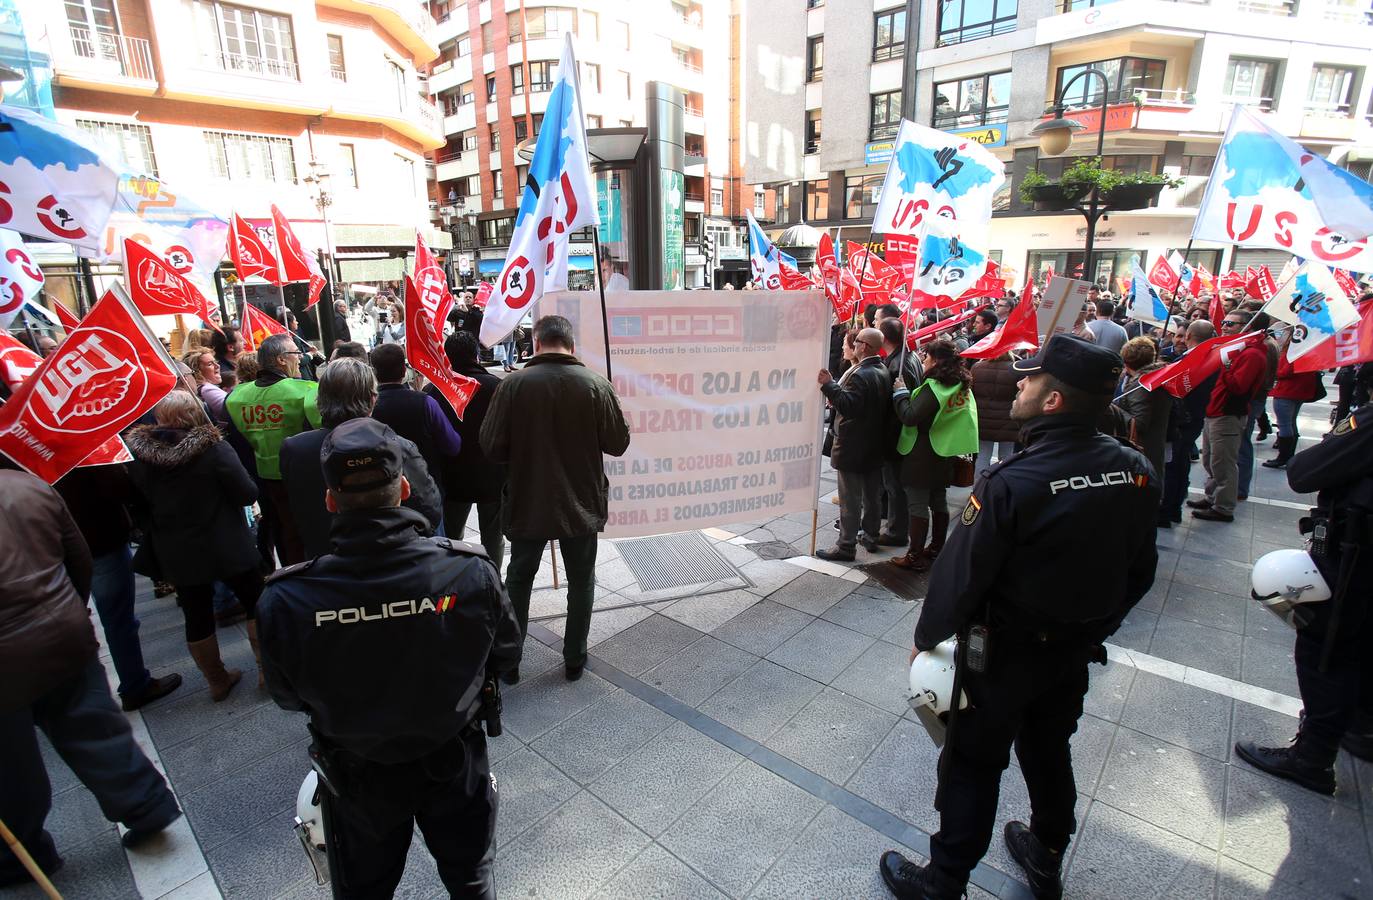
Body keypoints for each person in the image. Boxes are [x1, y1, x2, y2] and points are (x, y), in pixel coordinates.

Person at [878, 334, 1159, 900]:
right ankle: (1047, 851)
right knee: (1049, 747)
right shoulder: (1134, 468)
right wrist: (1095, 627)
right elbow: (1141, 569)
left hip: (1005, 653)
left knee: (973, 762)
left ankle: (944, 879)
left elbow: (959, 577)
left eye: (1031, 379)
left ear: (1053, 401)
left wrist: (925, 639)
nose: (1021, 384)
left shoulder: (1012, 482)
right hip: (1072, 650)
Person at [257, 419, 522, 898]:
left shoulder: (287, 598)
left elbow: (286, 696)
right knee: (470, 878)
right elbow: (506, 655)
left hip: (357, 772)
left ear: (331, 500)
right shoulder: (469, 571)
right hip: (452, 757)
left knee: (365, 888)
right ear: (403, 489)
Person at [0, 468, 182, 888]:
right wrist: (68, 607)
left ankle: (23, 852)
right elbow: (78, 558)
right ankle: (146, 804)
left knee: (11, 763)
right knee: (94, 723)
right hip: (61, 629)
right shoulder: (30, 487)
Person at [480, 315, 630, 681]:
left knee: (519, 578)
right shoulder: (596, 385)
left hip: (527, 498)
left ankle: (510, 660)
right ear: (571, 344)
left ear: (535, 341)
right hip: (581, 501)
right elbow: (618, 443)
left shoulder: (512, 386)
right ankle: (575, 657)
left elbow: (490, 446)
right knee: (581, 580)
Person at [1234, 400, 1373, 793]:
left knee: (1324, 648)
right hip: (1358, 559)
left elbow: (1305, 471)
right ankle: (1360, 726)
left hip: (1354, 563)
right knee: (1360, 646)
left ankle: (1312, 756)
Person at [128, 392, 266, 698]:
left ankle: (216, 680)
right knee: (255, 600)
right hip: (226, 542)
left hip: (177, 548)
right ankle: (266, 670)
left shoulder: (140, 458)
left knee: (196, 612)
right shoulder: (214, 449)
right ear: (195, 413)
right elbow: (246, 493)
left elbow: (136, 506)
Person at [279, 358, 442, 559]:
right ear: (373, 399)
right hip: (390, 561)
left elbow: (292, 514)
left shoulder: (294, 448)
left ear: (320, 399)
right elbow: (431, 511)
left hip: (323, 563)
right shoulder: (397, 447)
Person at [54, 467, 182, 712]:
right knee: (118, 620)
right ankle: (134, 685)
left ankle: (82, 695)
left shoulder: (18, 457)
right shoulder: (80, 446)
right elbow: (118, 487)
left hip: (53, 549)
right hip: (100, 540)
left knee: (67, 622)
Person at [224, 333, 322, 565]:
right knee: (306, 531)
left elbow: (238, 441)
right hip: (304, 476)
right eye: (295, 354)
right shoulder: (306, 390)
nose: (299, 358)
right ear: (280, 359)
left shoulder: (236, 396)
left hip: (264, 478)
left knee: (281, 530)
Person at [889, 340, 977, 572]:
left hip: (923, 452)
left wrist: (900, 393)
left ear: (936, 361)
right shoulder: (960, 383)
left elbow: (910, 416)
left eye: (926, 357)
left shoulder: (934, 387)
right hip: (944, 449)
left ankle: (914, 555)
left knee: (917, 503)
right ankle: (937, 548)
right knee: (938, 500)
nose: (923, 360)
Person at [429, 332, 506, 568]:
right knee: (493, 534)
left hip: (452, 476)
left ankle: (456, 579)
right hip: (493, 473)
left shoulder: (436, 390)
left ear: (448, 358)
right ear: (476, 355)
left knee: (452, 536)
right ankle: (493, 579)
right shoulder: (497, 387)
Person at [816, 327, 892, 562]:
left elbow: (849, 406)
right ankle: (869, 536)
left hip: (854, 444)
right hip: (873, 443)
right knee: (871, 495)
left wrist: (829, 385)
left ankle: (846, 545)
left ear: (865, 346)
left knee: (850, 498)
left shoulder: (862, 374)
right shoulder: (881, 369)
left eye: (856, 341)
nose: (851, 344)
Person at [1189, 311, 1269, 523]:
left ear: (1248, 327)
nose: (1224, 326)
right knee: (1211, 460)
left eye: (1230, 324)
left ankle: (1223, 507)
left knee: (1223, 463)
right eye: (1224, 322)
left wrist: (1225, 364)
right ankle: (1212, 497)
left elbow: (1239, 386)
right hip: (1215, 411)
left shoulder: (1252, 354)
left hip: (1227, 414)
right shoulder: (1241, 349)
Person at [368, 343, 462, 505]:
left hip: (384, 495)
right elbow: (452, 445)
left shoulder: (368, 408)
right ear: (404, 371)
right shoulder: (426, 403)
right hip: (425, 490)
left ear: (374, 372)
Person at [1159, 320, 1217, 527]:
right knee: (1180, 464)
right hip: (1193, 419)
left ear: (1189, 335)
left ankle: (1167, 510)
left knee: (1174, 466)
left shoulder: (1195, 360)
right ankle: (1173, 508)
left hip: (1183, 420)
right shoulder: (1209, 358)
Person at [874, 319, 925, 549]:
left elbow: (896, 403)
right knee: (895, 484)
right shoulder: (907, 356)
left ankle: (897, 531)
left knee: (894, 485)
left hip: (896, 432)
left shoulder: (898, 364)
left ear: (884, 339)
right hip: (900, 431)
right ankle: (897, 528)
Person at [1110, 336, 1171, 483]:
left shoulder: (1141, 386)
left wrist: (1113, 409)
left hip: (1144, 450)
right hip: (1150, 448)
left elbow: (1139, 422)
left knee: (1142, 489)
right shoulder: (1154, 378)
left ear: (1126, 362)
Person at [1262, 339, 1322, 469]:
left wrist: (1273, 371)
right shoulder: (1309, 350)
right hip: (1299, 391)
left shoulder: (1295, 352)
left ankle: (1283, 457)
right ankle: (1288, 456)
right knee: (1291, 422)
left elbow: (1285, 371)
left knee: (1284, 424)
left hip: (1287, 391)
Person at [971, 352, 1018, 468]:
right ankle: (1003, 484)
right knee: (1006, 456)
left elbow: (971, 393)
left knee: (982, 455)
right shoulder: (1015, 369)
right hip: (1008, 418)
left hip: (982, 418)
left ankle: (979, 484)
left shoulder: (977, 367)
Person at [183, 346, 229, 424]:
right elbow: (234, 410)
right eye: (210, 364)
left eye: (216, 362)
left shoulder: (203, 388)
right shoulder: (207, 389)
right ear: (197, 371)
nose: (218, 366)